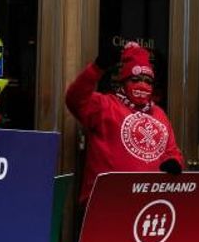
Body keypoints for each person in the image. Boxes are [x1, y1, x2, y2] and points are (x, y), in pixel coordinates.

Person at [66, 41, 184, 205]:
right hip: (107, 202)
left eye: (148, 81)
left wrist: (175, 162)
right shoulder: (104, 105)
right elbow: (75, 99)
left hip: (149, 202)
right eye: (135, 79)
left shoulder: (159, 114)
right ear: (123, 82)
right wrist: (96, 69)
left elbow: (172, 150)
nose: (142, 85)